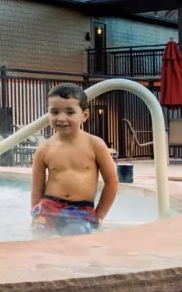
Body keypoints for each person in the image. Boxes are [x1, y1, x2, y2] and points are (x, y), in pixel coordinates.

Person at [30, 83, 119, 236]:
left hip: (81, 209)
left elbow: (112, 182)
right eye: (54, 112)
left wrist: (99, 215)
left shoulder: (95, 145)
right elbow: (37, 187)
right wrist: (35, 213)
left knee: (76, 235)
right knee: (39, 235)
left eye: (70, 112)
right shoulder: (45, 148)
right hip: (48, 206)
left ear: (84, 115)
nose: (61, 118)